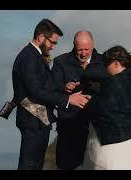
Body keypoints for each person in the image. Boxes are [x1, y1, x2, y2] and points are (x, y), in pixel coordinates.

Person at [12, 19, 90, 170]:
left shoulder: (35, 55)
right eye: (52, 42)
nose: (54, 47)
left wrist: (64, 87)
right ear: (41, 37)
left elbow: (43, 86)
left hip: (39, 122)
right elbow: (36, 91)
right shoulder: (28, 57)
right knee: (29, 165)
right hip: (32, 121)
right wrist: (68, 99)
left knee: (35, 165)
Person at [51, 31, 108, 169]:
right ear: (73, 46)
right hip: (69, 127)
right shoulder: (60, 62)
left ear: (93, 45)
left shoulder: (104, 62)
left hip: (98, 127)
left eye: (87, 49)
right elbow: (51, 91)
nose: (83, 54)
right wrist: (65, 88)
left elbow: (111, 89)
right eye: (79, 50)